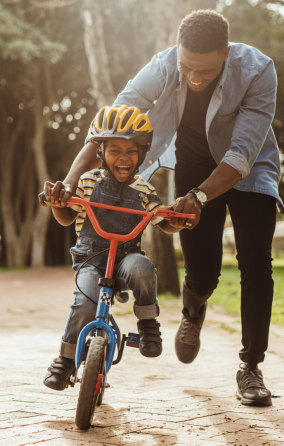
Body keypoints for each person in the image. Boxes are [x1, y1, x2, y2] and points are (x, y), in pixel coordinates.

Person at [49, 10, 283, 406]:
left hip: (249, 167)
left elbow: (242, 152)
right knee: (204, 272)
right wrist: (70, 181)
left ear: (226, 53)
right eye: (187, 67)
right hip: (194, 164)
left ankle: (251, 366)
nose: (194, 78)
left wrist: (201, 197)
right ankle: (194, 310)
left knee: (256, 261)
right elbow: (110, 125)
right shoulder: (162, 65)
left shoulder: (258, 71)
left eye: (205, 71)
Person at [42, 105, 184, 391]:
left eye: (132, 151)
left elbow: (161, 221)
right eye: (115, 150)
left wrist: (177, 221)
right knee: (85, 303)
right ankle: (66, 360)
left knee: (143, 269)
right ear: (100, 152)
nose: (124, 158)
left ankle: (147, 324)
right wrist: (58, 204)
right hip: (91, 259)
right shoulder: (86, 182)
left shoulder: (144, 189)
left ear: (142, 154)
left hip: (126, 259)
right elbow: (68, 216)